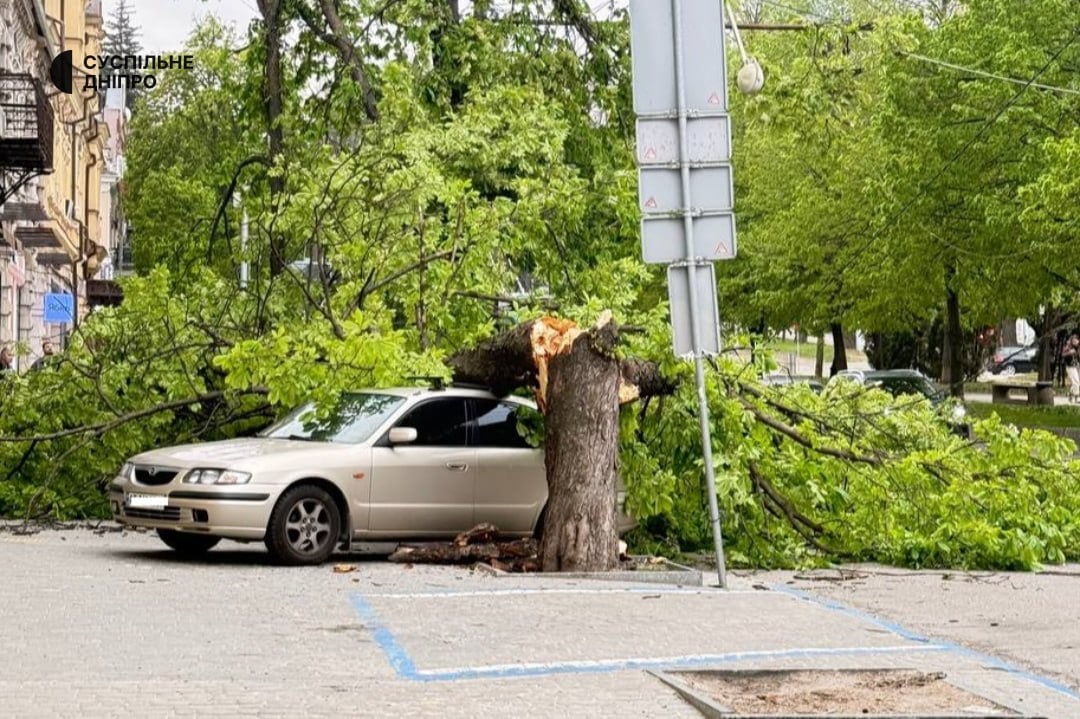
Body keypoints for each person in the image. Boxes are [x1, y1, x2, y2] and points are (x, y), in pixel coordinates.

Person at [1063, 334, 1080, 404]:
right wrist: (1069, 353)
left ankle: (1070, 394)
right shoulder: (1068, 347)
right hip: (1070, 367)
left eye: (1076, 340)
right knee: (1076, 382)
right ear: (1071, 341)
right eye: (1073, 340)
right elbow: (1063, 355)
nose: (1075, 341)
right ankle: (1076, 398)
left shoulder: (1078, 347)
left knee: (1077, 383)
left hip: (1077, 366)